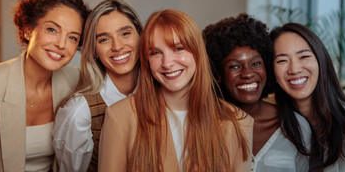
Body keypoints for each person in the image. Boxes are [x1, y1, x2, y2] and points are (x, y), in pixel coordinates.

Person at [99, 9, 253, 172]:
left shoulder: (239, 123)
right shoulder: (120, 117)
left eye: (178, 48)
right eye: (156, 52)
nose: (167, 63)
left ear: (197, 51)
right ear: (147, 61)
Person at [0, 0, 90, 172]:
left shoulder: (77, 82)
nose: (61, 44)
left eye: (72, 37)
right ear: (28, 30)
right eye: (52, 30)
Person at [203, 14, 310, 172]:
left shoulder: (295, 126)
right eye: (235, 66)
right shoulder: (203, 126)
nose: (248, 73)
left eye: (256, 63)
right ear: (218, 74)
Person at [53, 0, 143, 171]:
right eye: (104, 40)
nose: (117, 46)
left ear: (140, 36)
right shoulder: (79, 112)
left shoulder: (161, 92)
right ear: (94, 50)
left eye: (125, 33)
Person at [270, 22, 345, 171]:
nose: (295, 69)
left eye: (303, 56)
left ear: (320, 60)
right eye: (282, 60)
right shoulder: (270, 124)